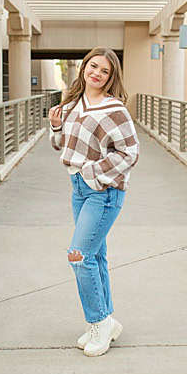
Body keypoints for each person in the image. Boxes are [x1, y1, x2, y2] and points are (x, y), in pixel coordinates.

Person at [46, 47, 139, 357]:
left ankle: (97, 323)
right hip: (78, 189)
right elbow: (61, 146)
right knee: (95, 257)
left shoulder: (115, 110)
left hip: (103, 191)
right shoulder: (72, 105)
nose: (97, 73)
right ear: (84, 67)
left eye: (105, 71)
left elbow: (130, 152)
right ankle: (107, 321)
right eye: (93, 66)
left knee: (79, 256)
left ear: (111, 78)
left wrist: (92, 173)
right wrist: (56, 125)